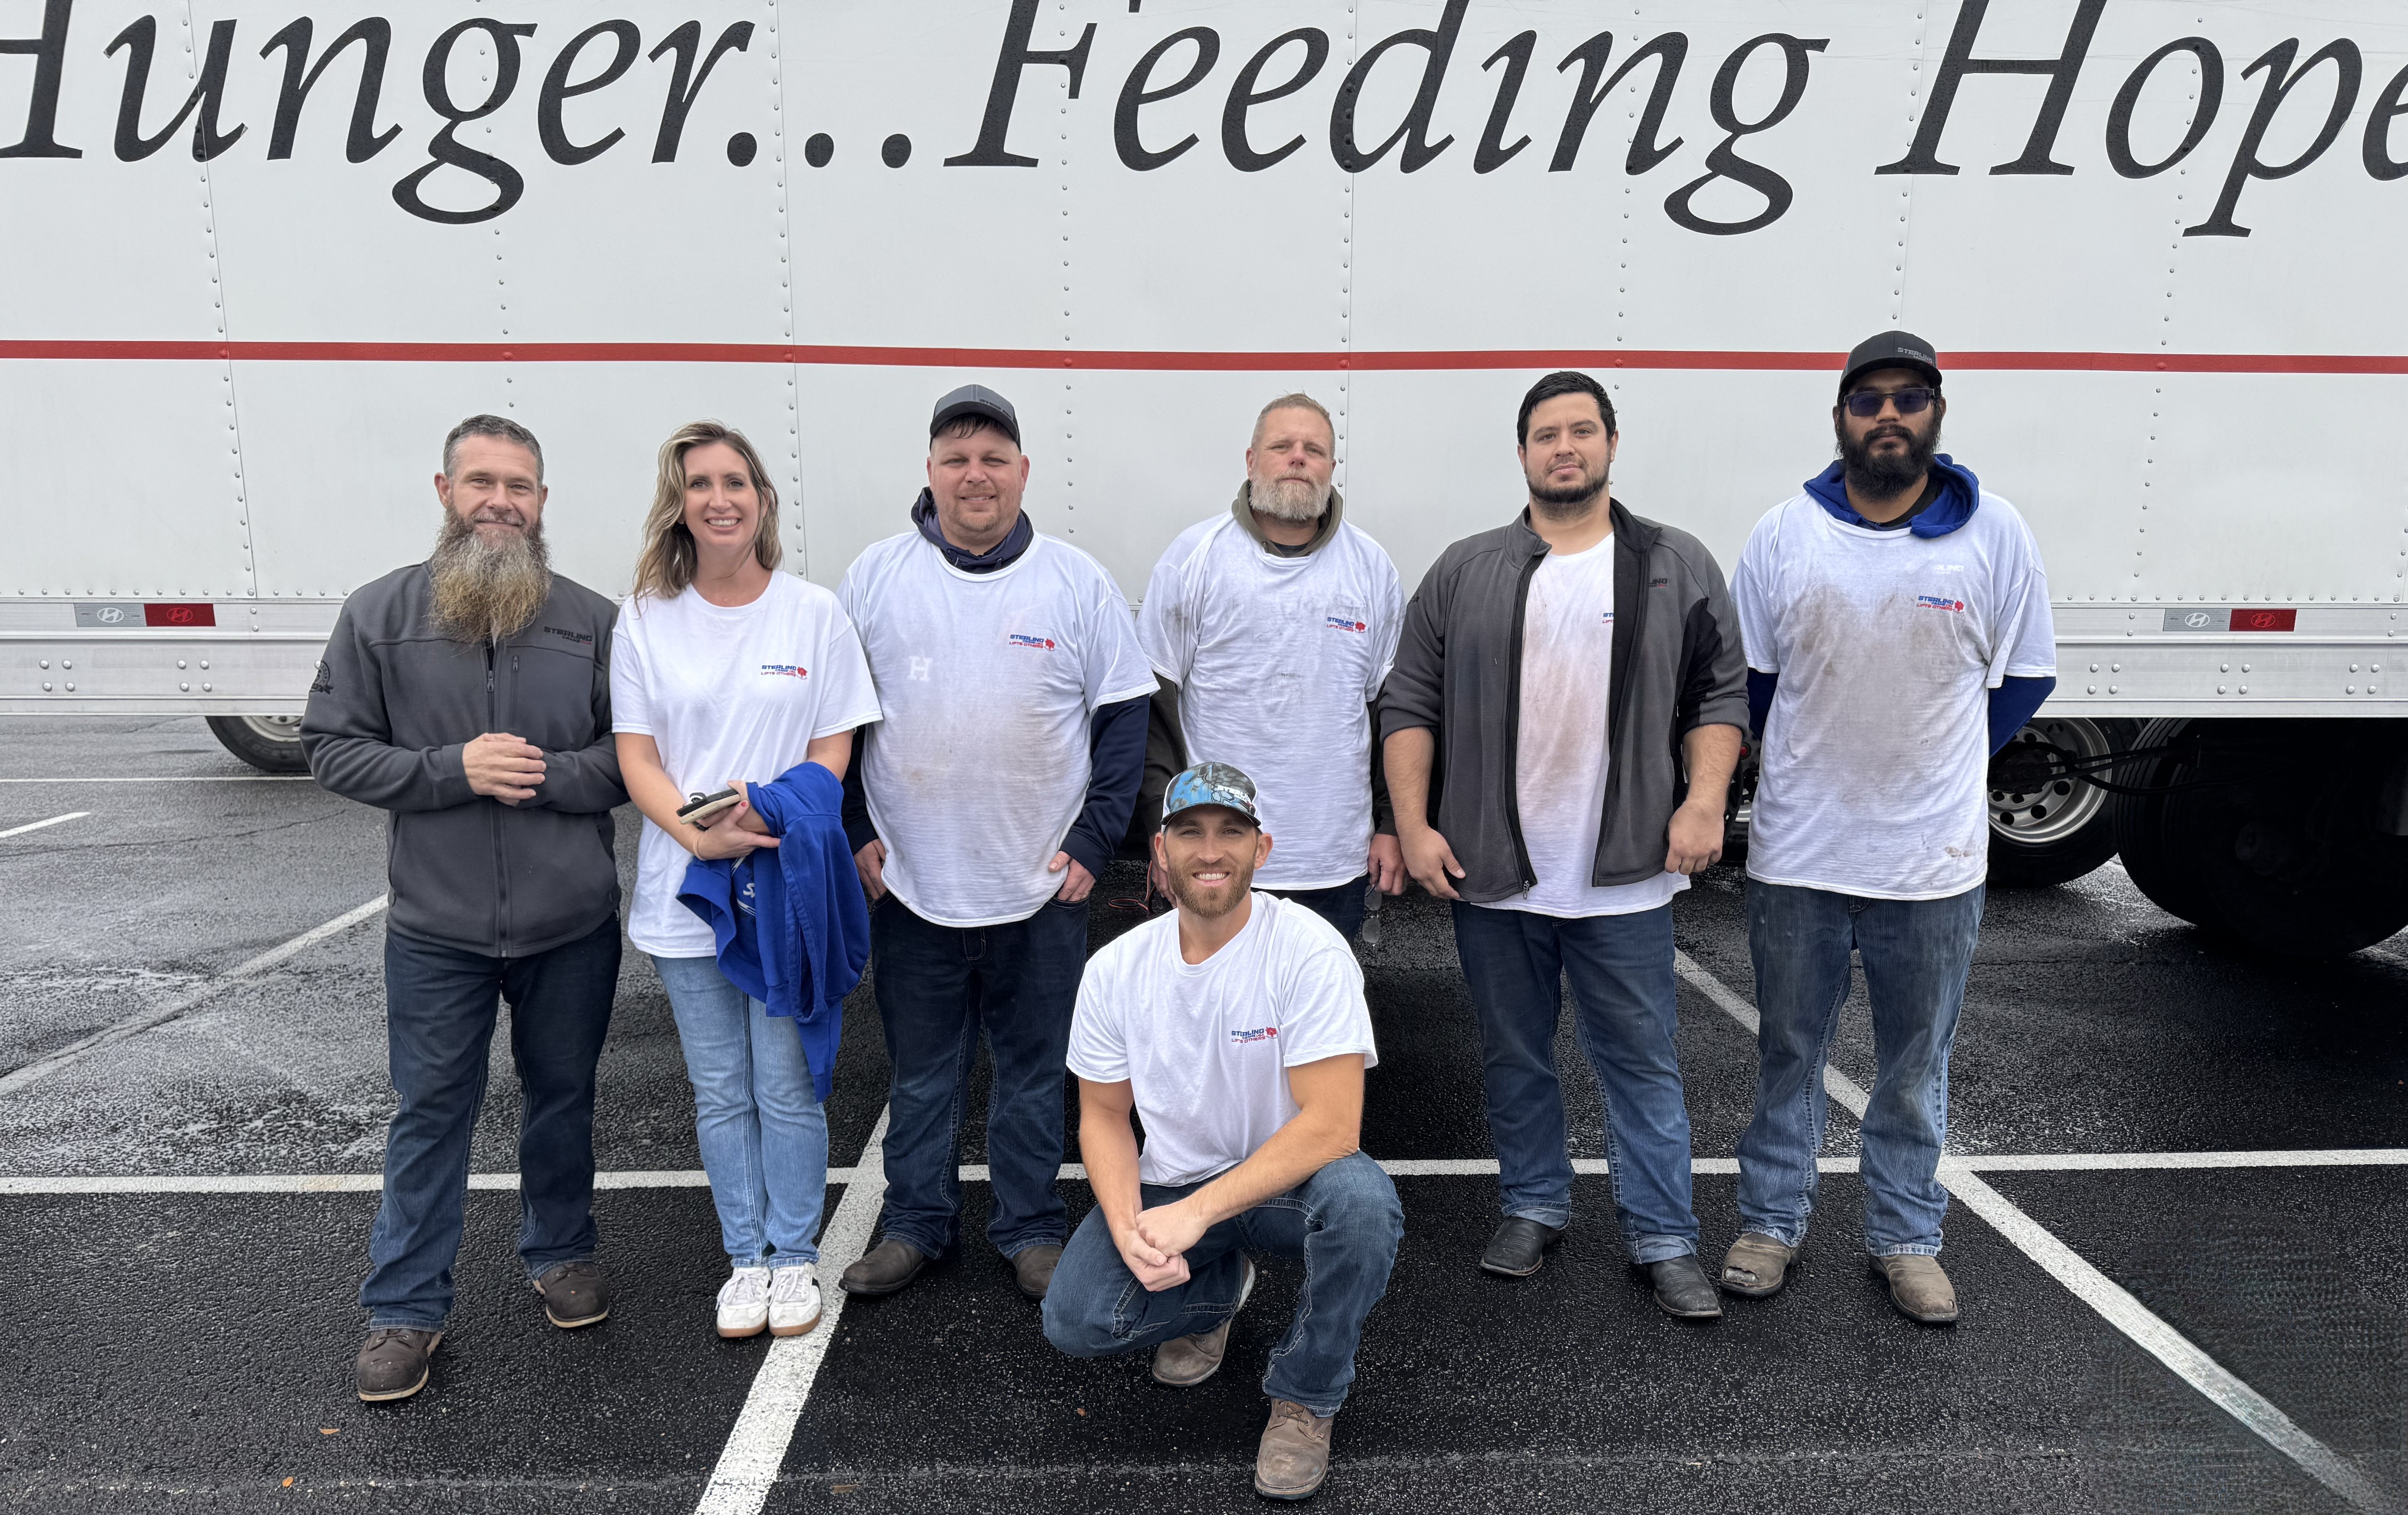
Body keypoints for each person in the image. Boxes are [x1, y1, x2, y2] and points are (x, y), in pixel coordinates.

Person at [1378, 371, 1747, 1318]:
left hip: (1625, 878)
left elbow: (1720, 694)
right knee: (1514, 1055)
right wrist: (1414, 826)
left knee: (1641, 1062)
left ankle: (1664, 1237)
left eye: (1583, 431)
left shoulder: (1674, 564)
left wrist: (1705, 803)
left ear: (1612, 445)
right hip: (1495, 875)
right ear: (1523, 454)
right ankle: (1534, 1204)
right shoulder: (1465, 569)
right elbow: (1409, 701)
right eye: (1547, 434)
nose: (1565, 448)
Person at [1722, 332, 2057, 1324]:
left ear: (1936, 415)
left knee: (1914, 1068)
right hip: (1800, 853)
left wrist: (1948, 762)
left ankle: (1906, 1237)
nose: (1889, 416)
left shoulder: (1994, 534)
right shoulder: (1786, 533)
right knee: (1789, 1053)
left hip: (1933, 863)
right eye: (1869, 400)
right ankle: (1769, 1224)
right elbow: (1752, 687)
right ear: (1841, 417)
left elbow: (2028, 674)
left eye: (1910, 398)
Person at [301, 414, 628, 1403]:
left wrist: (552, 774)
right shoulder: (380, 614)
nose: (501, 501)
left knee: (562, 1097)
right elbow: (330, 745)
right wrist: (453, 769)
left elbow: (637, 758)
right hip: (435, 932)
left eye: (520, 486)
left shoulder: (591, 621)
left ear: (542, 503)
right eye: (482, 481)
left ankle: (561, 1251)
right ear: (444, 492)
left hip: (570, 926)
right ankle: (405, 1309)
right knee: (432, 1112)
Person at [836, 384, 1156, 1301]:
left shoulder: (1075, 581)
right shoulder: (876, 578)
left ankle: (1029, 1229)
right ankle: (917, 1226)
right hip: (914, 886)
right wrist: (858, 831)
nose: (974, 476)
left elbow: (1125, 716)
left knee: (1030, 1074)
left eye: (992, 459)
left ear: (1023, 472)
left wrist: (1098, 841)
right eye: (955, 459)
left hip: (1041, 887)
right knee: (924, 1075)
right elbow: (837, 724)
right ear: (930, 474)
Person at [1043, 762, 1400, 1503]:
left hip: (1287, 1187)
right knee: (1077, 1319)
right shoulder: (1115, 970)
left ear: (1261, 849)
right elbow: (1104, 1117)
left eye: (1232, 832)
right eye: (1192, 833)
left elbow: (1334, 1126)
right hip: (1173, 1184)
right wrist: (1129, 1226)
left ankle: (1307, 1395)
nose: (1212, 850)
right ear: (1161, 852)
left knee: (1364, 1205)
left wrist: (1194, 1213)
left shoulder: (1308, 949)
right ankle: (1219, 1289)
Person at [611, 421, 881, 1340]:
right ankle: (746, 1259)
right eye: (699, 484)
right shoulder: (645, 615)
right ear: (677, 503)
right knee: (720, 1090)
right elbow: (636, 755)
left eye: (736, 481)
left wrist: (761, 819)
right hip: (685, 891)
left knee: (786, 1087)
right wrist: (697, 833)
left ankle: (796, 1256)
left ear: (763, 500)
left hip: (783, 891)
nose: (719, 498)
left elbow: (833, 750)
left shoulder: (814, 613)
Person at [1135, 394, 1405, 940]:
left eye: (1315, 450)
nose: (1298, 458)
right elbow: (1152, 712)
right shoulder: (1196, 557)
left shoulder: (1371, 568)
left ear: (1331, 467)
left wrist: (1391, 823)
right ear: (1252, 460)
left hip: (1334, 863)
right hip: (1215, 858)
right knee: (1209, 1016)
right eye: (1281, 446)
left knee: (1316, 1024)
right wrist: (1160, 833)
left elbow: (1394, 714)